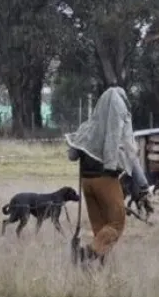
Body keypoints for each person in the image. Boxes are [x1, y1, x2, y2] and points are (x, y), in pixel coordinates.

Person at [64, 86, 150, 266]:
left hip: (87, 183)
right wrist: (142, 185)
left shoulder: (88, 127)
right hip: (106, 180)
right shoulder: (118, 130)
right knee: (116, 224)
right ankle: (85, 254)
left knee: (101, 227)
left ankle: (97, 267)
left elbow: (72, 155)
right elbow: (129, 154)